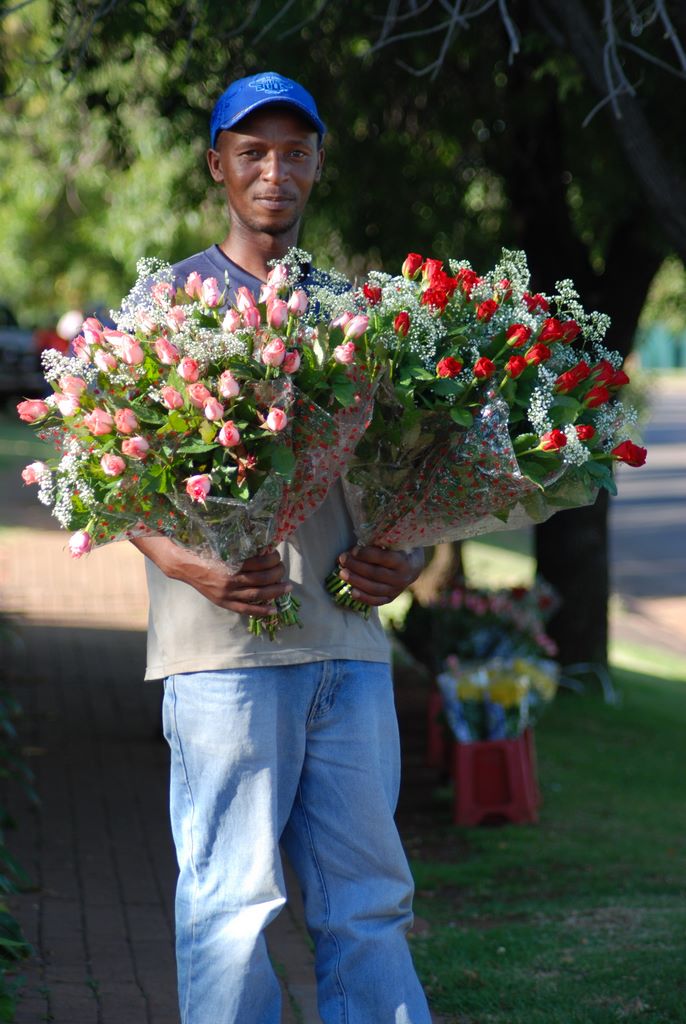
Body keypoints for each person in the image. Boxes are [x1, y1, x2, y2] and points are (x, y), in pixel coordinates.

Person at [132, 71, 432, 1024]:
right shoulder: (165, 305)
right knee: (231, 906)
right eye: (253, 152)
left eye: (294, 152)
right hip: (226, 659)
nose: (275, 171)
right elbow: (109, 488)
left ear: (318, 165)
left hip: (349, 654)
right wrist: (191, 565)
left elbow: (410, 481)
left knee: (370, 908)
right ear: (215, 164)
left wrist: (410, 556)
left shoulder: (359, 314)